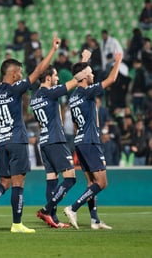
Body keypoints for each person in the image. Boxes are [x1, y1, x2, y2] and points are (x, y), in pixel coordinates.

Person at [0, 34, 60, 233]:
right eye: (19, 72)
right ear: (13, 73)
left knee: (3, 182)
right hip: (17, 140)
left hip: (1, 141)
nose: (21, 75)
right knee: (18, 182)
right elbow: (39, 70)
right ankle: (17, 224)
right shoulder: (15, 89)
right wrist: (52, 50)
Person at [30, 50, 91, 229]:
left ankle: (53, 219)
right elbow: (75, 81)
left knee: (52, 179)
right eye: (55, 75)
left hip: (44, 141)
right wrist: (84, 61)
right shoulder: (50, 93)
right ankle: (47, 210)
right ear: (48, 78)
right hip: (56, 140)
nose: (58, 78)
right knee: (70, 178)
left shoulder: (34, 98)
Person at [63, 50, 123, 230]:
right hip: (90, 141)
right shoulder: (87, 91)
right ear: (83, 78)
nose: (93, 75)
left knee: (91, 183)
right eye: (90, 73)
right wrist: (118, 61)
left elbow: (74, 123)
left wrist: (83, 61)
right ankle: (72, 208)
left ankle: (95, 220)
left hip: (80, 141)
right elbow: (111, 80)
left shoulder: (73, 96)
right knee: (102, 183)